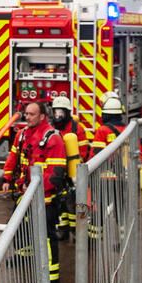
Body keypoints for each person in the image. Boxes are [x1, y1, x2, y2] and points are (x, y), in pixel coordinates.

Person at [1, 102, 68, 283]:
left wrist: (34, 189)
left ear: (42, 117)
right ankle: (24, 255)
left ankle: (51, 280)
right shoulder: (22, 135)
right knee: (18, 225)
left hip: (45, 198)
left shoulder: (52, 138)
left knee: (46, 238)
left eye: (31, 114)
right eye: (26, 114)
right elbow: (13, 158)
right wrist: (7, 178)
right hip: (26, 194)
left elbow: (55, 173)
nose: (27, 117)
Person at [49, 95, 86, 240]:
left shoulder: (77, 128)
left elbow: (83, 151)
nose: (58, 116)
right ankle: (63, 229)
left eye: (61, 112)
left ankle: (76, 231)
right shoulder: (51, 128)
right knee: (59, 201)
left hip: (73, 171)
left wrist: (78, 169)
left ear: (67, 112)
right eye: (56, 112)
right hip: (58, 169)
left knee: (74, 202)